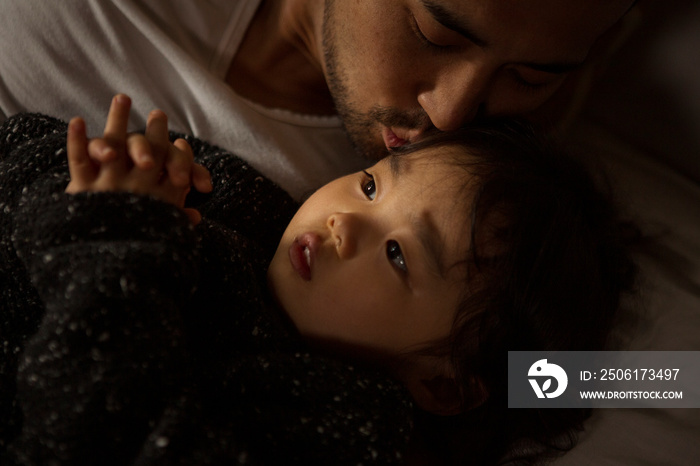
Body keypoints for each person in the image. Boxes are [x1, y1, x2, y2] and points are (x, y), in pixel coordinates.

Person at [0, 96, 637, 464]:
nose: (343, 221)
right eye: (371, 184)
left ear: (444, 386)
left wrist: (112, 242)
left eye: (397, 256)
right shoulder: (247, 205)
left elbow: (100, 438)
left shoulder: (351, 425)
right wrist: (100, 172)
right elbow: (22, 153)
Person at [0, 0, 638, 199]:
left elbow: (660, 382)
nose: (451, 114)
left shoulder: (458, 202)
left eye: (530, 76)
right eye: (435, 33)